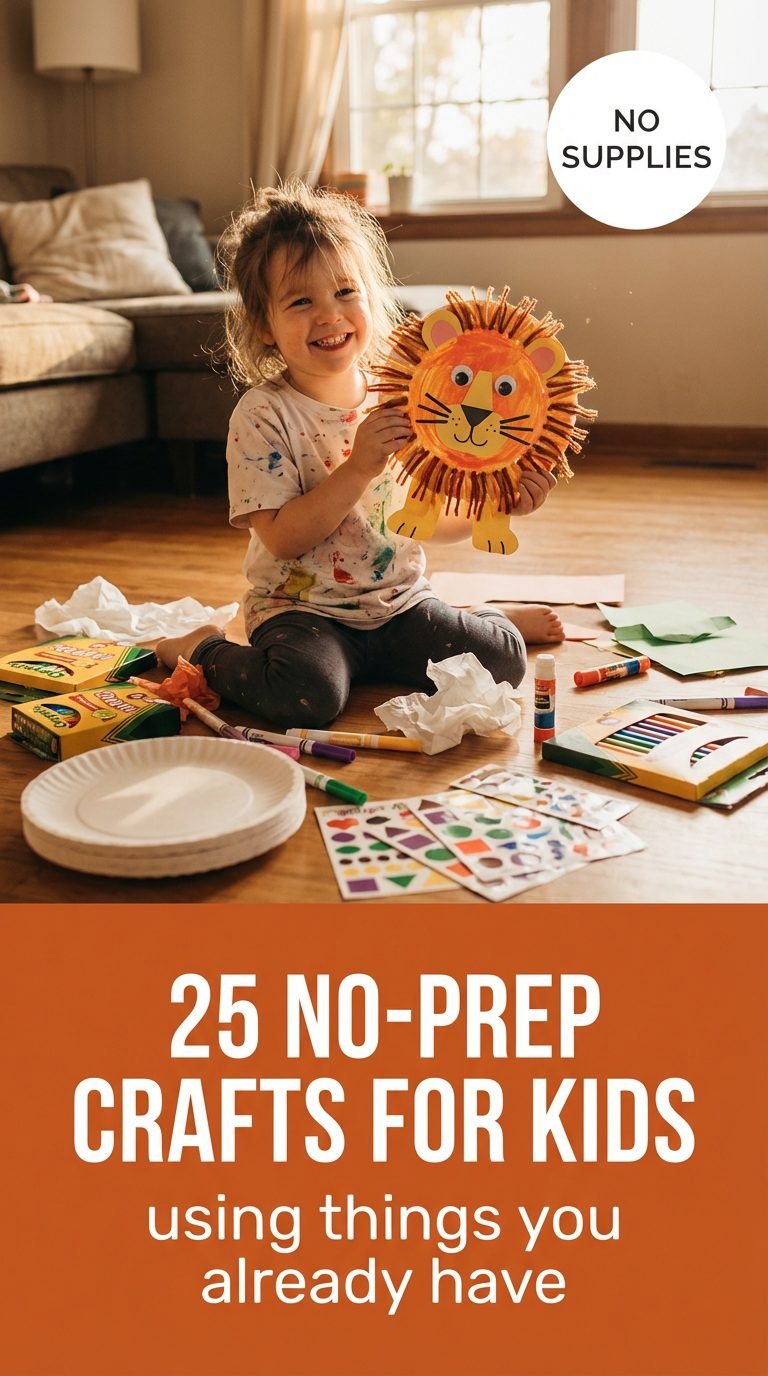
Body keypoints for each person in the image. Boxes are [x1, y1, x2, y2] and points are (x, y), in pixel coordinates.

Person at [157, 180, 562, 728]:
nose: (329, 316)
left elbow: (423, 522)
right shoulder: (261, 415)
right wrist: (359, 466)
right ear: (263, 325)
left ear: (371, 299)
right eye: (301, 302)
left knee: (503, 659)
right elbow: (282, 537)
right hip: (302, 613)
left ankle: (488, 617)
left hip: (398, 603)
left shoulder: (406, 399)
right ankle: (204, 644)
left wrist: (501, 506)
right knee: (306, 697)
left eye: (346, 292)